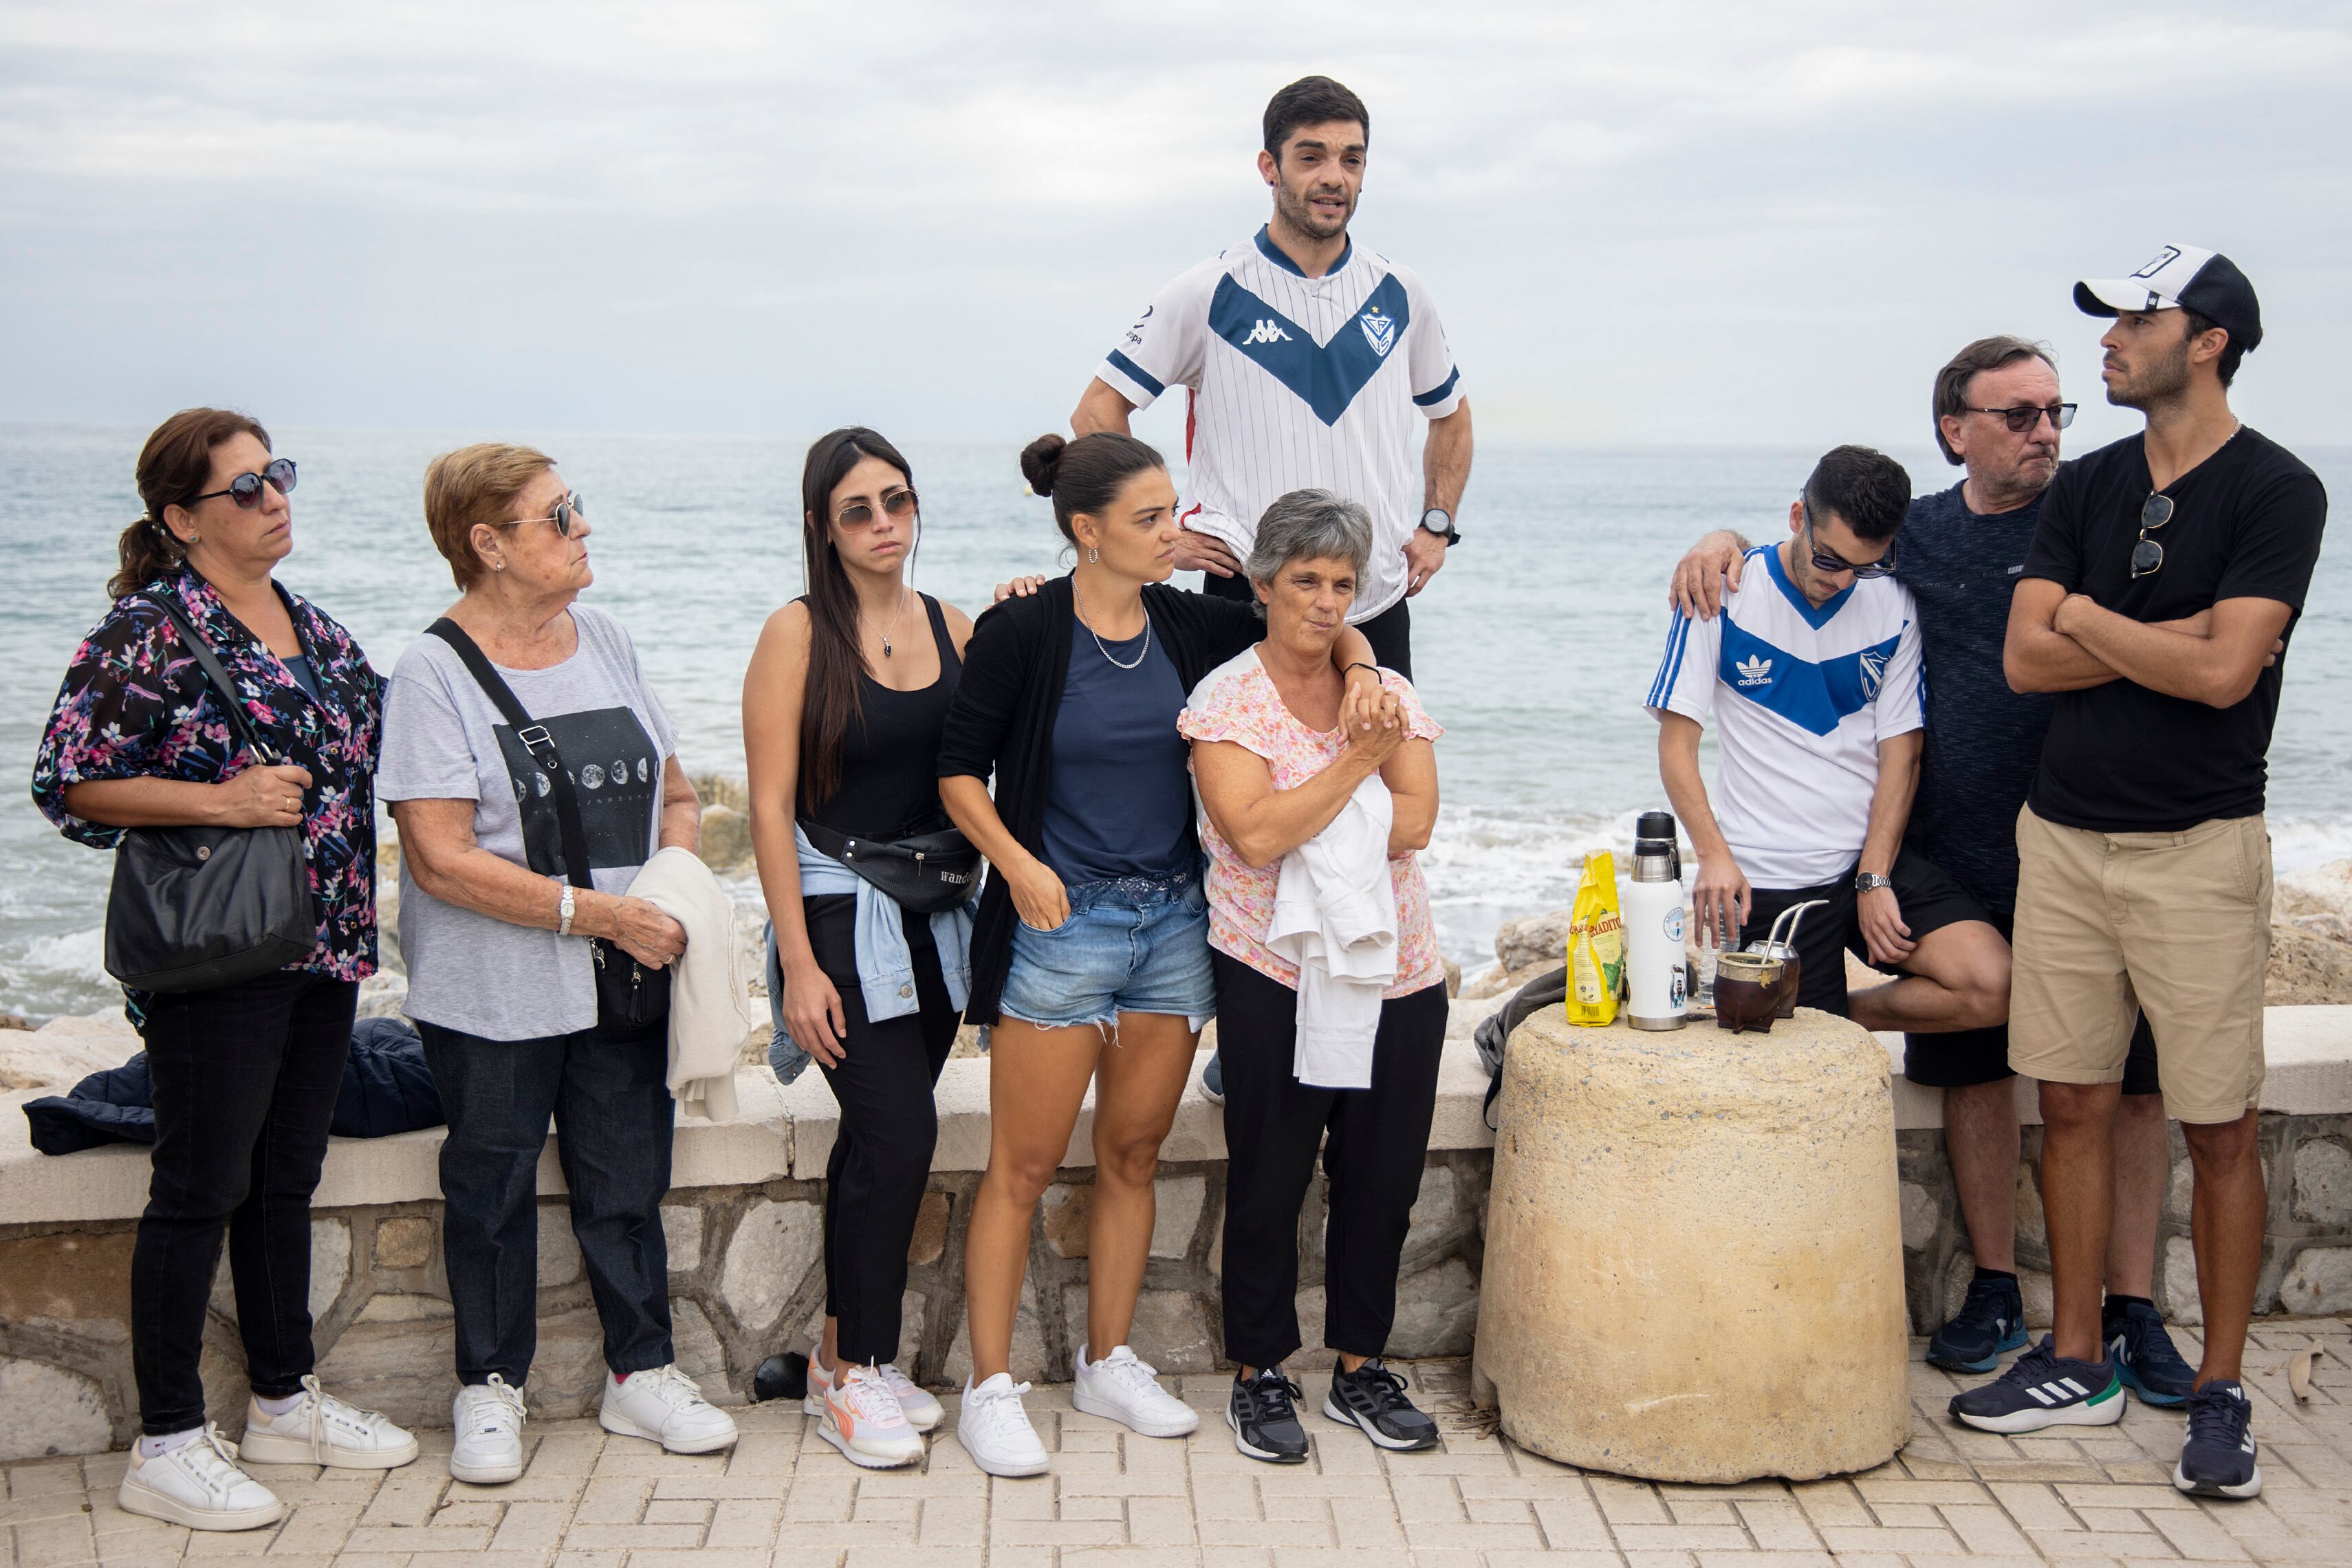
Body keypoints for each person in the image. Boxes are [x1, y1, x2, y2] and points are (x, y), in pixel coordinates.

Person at [1666, 340, 2197, 1395]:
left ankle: (2135, 1311)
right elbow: (1805, 554)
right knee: (1979, 1069)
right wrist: (1718, 540)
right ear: (1957, 428)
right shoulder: (1916, 541)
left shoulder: (2097, 513)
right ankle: (1996, 1289)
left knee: (2134, 1085)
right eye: (2018, 415)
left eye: (2057, 412)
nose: (2044, 432)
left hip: (2097, 837)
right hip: (1951, 846)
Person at [935, 431, 1386, 1477]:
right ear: (1085, 531)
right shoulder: (1021, 630)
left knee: (1135, 1155)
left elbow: (1309, 621)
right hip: (1059, 927)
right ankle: (989, 1388)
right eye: (1150, 520)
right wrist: (1017, 866)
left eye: (1174, 513)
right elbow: (960, 774)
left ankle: (1106, 1362)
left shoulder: (1187, 624)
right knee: (1023, 1168)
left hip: (1175, 929)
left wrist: (1361, 664)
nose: (1173, 534)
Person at [1961, 247, 2326, 1502]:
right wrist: (2172, 639)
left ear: (2209, 338)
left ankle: (2220, 1392)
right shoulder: (2094, 484)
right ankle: (2076, 1355)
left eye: (2136, 317)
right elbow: (2024, 660)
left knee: (2215, 1127)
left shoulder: (2281, 491)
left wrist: (2095, 628)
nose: (2108, 342)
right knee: (2065, 1101)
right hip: (2060, 837)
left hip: (2199, 847)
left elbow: (2230, 678)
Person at [32, 409, 417, 1532]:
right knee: (200, 1184)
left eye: (278, 475)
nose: (274, 498)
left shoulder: (316, 627)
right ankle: (165, 1441)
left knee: (286, 1175)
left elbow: (393, 750)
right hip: (217, 952)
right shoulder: (150, 634)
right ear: (182, 518)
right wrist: (223, 800)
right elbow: (69, 785)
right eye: (245, 487)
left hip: (328, 939)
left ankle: (284, 1404)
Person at [380, 442, 738, 1485]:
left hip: (626, 969)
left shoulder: (608, 639)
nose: (584, 529)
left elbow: (676, 787)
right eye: (559, 517)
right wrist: (601, 914)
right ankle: (490, 1388)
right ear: (486, 544)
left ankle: (641, 1375)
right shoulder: (432, 672)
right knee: (489, 1186)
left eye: (576, 510)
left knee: (626, 1181)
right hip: (491, 993)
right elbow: (440, 860)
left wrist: (666, 887)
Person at [1182, 490, 1449, 1463]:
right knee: (1271, 1177)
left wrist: (1348, 771)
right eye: (1305, 580)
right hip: (1271, 967)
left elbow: (1416, 824)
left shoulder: (1385, 692)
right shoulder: (1227, 702)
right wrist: (1357, 767)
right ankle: (1257, 1373)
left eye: (1342, 583)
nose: (1327, 602)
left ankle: (1358, 1368)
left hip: (1397, 968)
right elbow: (1253, 836)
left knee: (1381, 1180)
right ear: (1260, 584)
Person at [1071, 74, 1471, 682]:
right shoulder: (1209, 290)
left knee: (1386, 775)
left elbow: (1451, 415)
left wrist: (1436, 526)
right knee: (1233, 779)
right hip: (1241, 597)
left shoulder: (1400, 293)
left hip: (1372, 599)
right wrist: (1163, 533)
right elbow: (1097, 413)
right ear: (1270, 166)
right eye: (1311, 157)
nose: (1333, 177)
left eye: (1351, 159)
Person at [742, 428, 974, 1469]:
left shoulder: (956, 626)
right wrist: (796, 962)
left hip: (934, 916)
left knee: (875, 1147)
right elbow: (768, 806)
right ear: (820, 528)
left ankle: (842, 1361)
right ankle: (857, 1377)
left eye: (898, 501)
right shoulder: (796, 634)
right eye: (859, 511)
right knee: (901, 1133)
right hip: (841, 914)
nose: (886, 525)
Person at [1648, 445, 2010, 1035]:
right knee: (1786, 1065)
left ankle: (1840, 1012)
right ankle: (1813, 1012)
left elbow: (1902, 752)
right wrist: (1714, 855)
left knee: (1992, 984)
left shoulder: (1893, 601)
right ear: (1798, 517)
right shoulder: (1721, 595)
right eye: (1829, 560)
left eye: (1863, 566)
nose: (1841, 581)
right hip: (1767, 876)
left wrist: (1875, 876)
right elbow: (1675, 747)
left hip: (1864, 862)